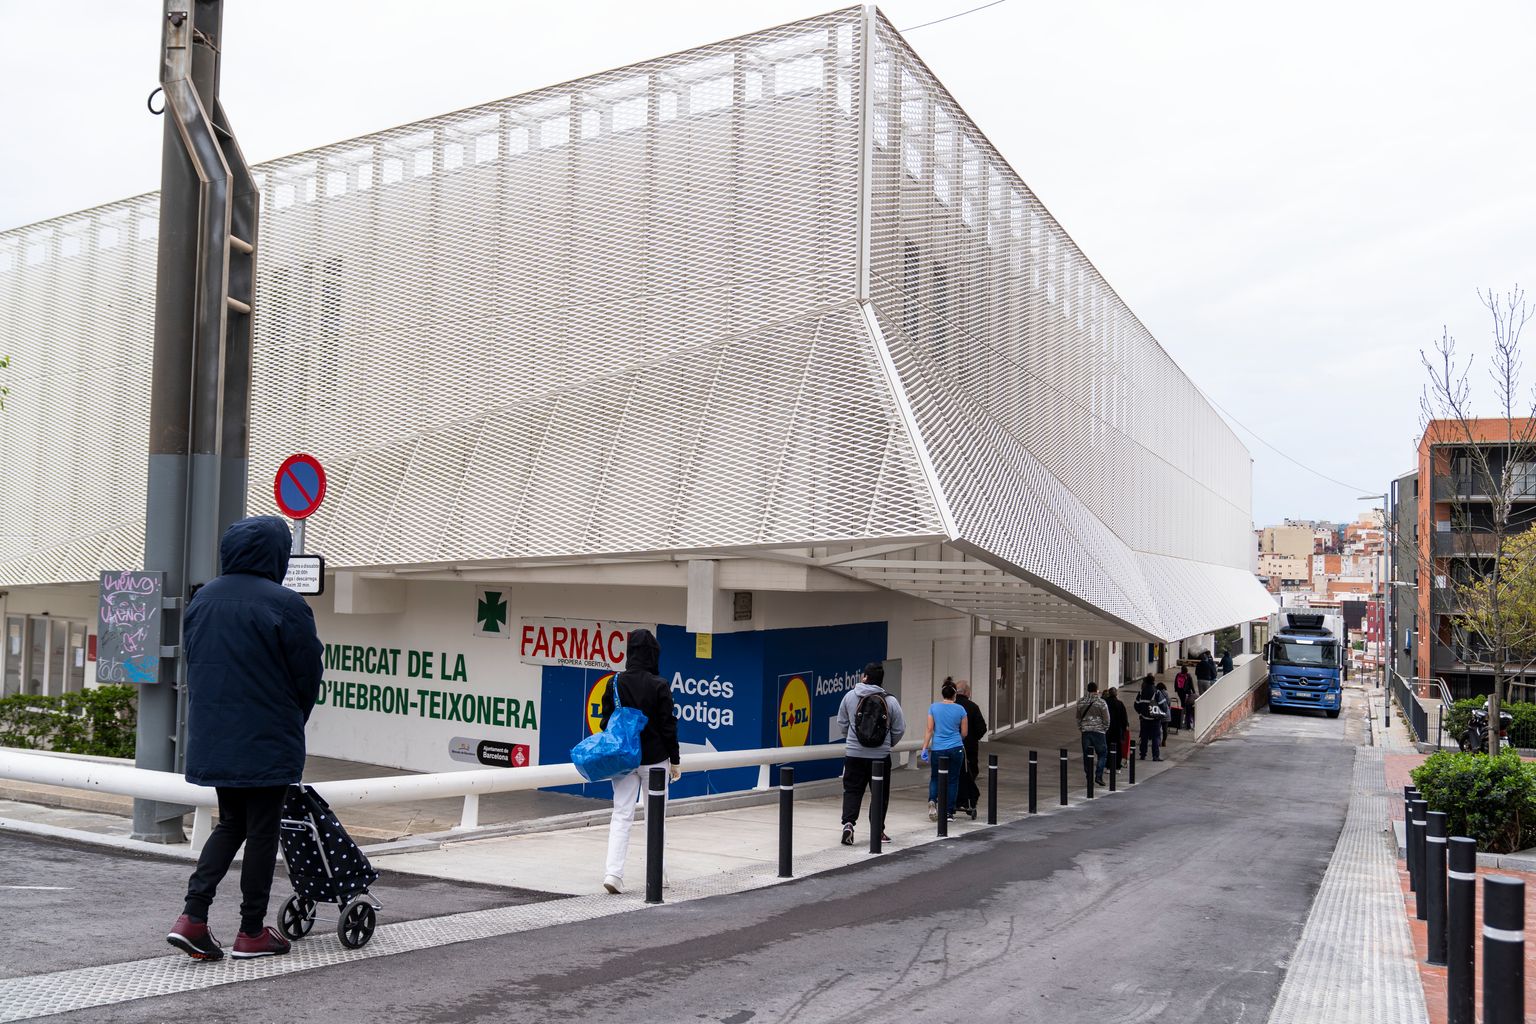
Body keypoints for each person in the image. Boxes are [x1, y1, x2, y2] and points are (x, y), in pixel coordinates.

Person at [166, 516, 324, 962]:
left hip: (215, 735)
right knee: (261, 831)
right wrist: (294, 719)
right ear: (276, 555)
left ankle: (192, 917)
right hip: (267, 737)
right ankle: (251, 931)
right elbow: (307, 675)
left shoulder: (202, 601)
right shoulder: (286, 604)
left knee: (230, 822)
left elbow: (194, 662)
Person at [598, 628, 680, 894]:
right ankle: (658, 873)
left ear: (630, 652)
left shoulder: (615, 682)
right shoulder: (660, 685)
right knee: (656, 818)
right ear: (653, 654)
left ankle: (613, 874)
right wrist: (675, 761)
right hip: (655, 761)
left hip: (623, 759)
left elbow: (605, 721)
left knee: (621, 814)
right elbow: (669, 726)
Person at [837, 662, 906, 845]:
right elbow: (899, 728)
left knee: (852, 790)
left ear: (864, 677)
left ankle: (849, 824)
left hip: (853, 755)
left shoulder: (849, 697)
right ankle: (877, 831)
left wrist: (852, 741)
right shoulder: (890, 701)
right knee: (879, 794)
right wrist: (887, 744)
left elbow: (842, 723)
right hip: (880, 757)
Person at [921, 680, 968, 820]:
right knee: (953, 780)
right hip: (956, 748)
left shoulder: (933, 708)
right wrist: (956, 740)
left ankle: (932, 800)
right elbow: (965, 733)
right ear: (955, 694)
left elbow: (929, 730)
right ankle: (948, 812)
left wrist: (924, 748)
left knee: (935, 777)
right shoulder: (960, 709)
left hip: (938, 748)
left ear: (942, 693)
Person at [953, 678, 988, 818]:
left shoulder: (950, 706)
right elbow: (982, 729)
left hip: (951, 747)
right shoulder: (973, 707)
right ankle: (968, 801)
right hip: (969, 748)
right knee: (970, 773)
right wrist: (973, 738)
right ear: (967, 692)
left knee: (953, 774)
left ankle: (954, 800)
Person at [1074, 682, 1109, 786]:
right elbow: (1107, 719)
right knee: (1102, 754)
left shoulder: (1080, 702)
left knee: (1087, 755)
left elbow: (1078, 718)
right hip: (1099, 732)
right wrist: (1104, 729)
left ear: (1087, 690)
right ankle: (1098, 776)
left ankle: (1089, 777)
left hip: (1086, 732)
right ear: (1096, 690)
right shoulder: (1101, 702)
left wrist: (1082, 728)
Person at [1133, 674, 1169, 762]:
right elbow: (1164, 706)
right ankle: (1155, 756)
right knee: (1155, 738)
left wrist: (1141, 712)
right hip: (1155, 720)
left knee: (1144, 737)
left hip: (1144, 719)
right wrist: (1161, 713)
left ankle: (1143, 754)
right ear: (1153, 681)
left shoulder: (1141, 692)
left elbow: (1136, 705)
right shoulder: (1157, 692)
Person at [1104, 685, 1130, 768]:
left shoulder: (1105, 703)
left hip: (1107, 729)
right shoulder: (1120, 704)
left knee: (1107, 746)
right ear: (1116, 694)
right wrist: (1125, 726)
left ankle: (1108, 765)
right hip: (1118, 730)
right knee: (1118, 747)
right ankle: (1117, 766)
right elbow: (1124, 717)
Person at [1173, 667, 1197, 732]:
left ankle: (1182, 717)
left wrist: (1176, 689)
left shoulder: (1178, 675)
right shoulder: (1188, 676)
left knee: (1182, 703)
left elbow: (1175, 682)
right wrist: (1194, 692)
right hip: (1186, 692)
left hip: (1180, 692)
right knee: (1187, 706)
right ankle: (1186, 720)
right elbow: (1191, 684)